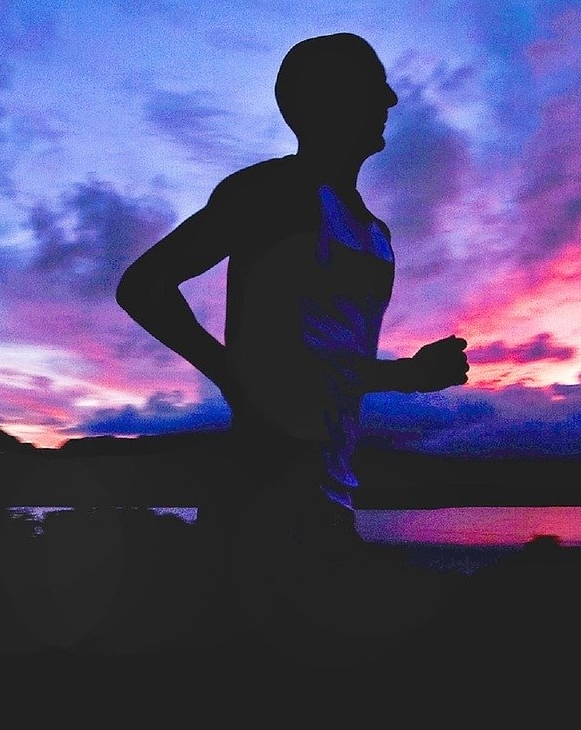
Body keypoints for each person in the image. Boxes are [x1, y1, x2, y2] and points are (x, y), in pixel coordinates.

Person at [115, 33, 470, 625]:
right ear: (324, 101)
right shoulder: (274, 193)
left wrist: (407, 376)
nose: (390, 96)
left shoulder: (375, 231)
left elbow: (322, 359)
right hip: (264, 488)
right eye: (371, 84)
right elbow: (145, 286)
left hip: (330, 489)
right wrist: (229, 370)